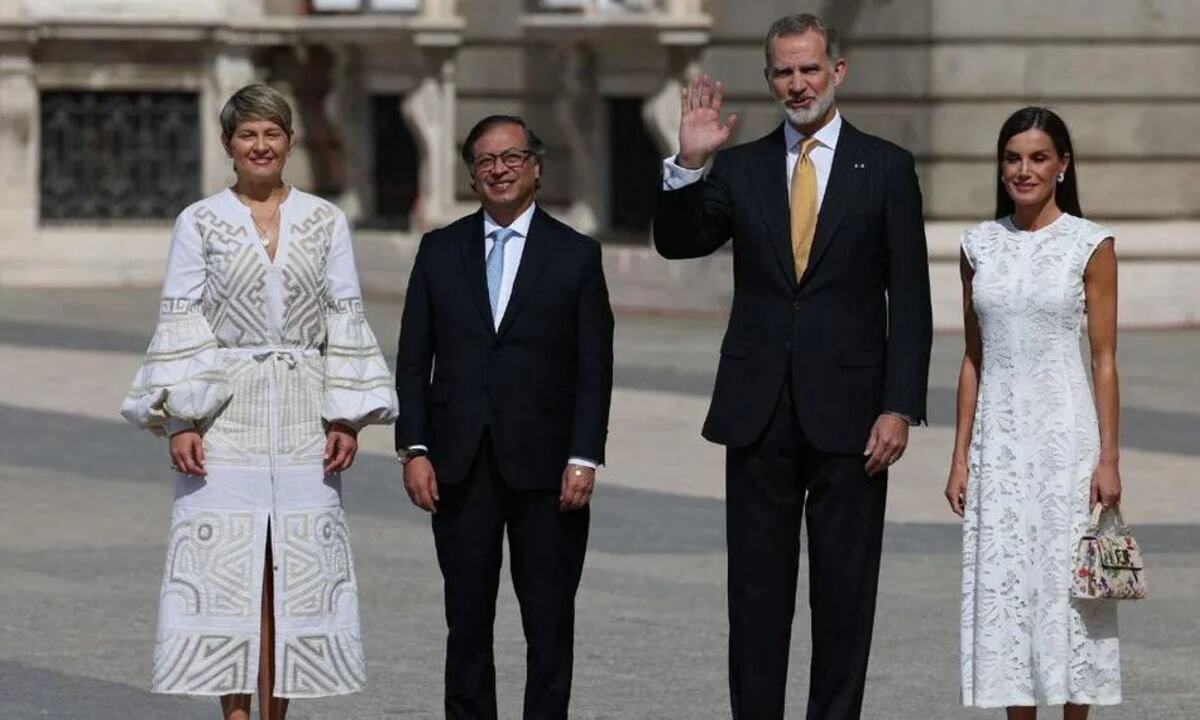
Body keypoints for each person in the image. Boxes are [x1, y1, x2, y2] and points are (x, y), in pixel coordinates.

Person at [651, 13, 933, 719]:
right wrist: (689, 164)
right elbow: (679, 243)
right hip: (758, 410)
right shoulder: (740, 166)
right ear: (768, 77)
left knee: (843, 597)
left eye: (810, 69)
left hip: (854, 417)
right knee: (755, 597)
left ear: (837, 71)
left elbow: (914, 300)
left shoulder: (887, 167)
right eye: (784, 71)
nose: (798, 83)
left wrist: (899, 405)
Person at [120, 83, 397, 720]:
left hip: (303, 414)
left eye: (272, 133)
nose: (261, 145)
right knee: (228, 574)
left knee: (293, 577)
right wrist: (181, 420)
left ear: (289, 142)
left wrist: (346, 415)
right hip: (225, 416)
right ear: (228, 146)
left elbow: (343, 314)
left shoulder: (325, 220)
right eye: (248, 134)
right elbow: (182, 316)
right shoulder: (200, 220)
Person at [395, 114, 614, 720]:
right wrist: (413, 448)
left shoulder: (576, 255)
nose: (499, 170)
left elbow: (594, 367)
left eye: (512, 157)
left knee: (548, 623)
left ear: (536, 167)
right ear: (472, 175)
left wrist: (583, 456)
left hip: (548, 470)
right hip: (458, 464)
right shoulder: (439, 250)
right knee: (466, 619)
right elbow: (414, 359)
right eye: (485, 161)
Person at [946, 106, 1122, 718]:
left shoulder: (1090, 244)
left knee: (1069, 591)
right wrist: (959, 455)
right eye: (1013, 158)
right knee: (1009, 591)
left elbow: (1103, 360)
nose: (1024, 170)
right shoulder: (977, 246)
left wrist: (1109, 458)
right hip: (999, 444)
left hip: (1066, 441)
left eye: (1039, 158)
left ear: (1063, 166)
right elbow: (973, 357)